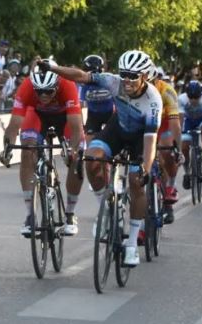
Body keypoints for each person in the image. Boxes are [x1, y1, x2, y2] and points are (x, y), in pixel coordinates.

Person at [36, 50, 162, 267]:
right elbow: (81, 76)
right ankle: (106, 209)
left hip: (140, 139)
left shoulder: (153, 101)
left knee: (136, 182)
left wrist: (145, 169)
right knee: (91, 160)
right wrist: (54, 68)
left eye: (133, 76)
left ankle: (131, 244)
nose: (127, 80)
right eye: (124, 74)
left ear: (145, 76)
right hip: (118, 130)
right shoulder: (114, 83)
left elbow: (150, 142)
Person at [0, 68, 84, 237]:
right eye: (40, 92)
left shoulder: (67, 85)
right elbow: (14, 124)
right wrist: (7, 149)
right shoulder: (27, 86)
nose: (44, 95)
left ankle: (70, 213)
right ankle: (30, 215)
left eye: (49, 91)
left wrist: (72, 151)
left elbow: (76, 127)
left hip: (64, 117)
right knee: (27, 151)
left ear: (57, 86)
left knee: (78, 158)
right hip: (37, 115)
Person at [147, 65, 183, 225]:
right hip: (147, 124)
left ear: (157, 80)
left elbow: (175, 123)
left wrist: (178, 148)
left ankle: (170, 187)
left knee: (166, 150)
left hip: (165, 124)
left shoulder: (167, 91)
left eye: (152, 82)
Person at [178, 80, 202, 189]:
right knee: (184, 146)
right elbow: (180, 118)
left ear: (201, 94)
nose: (194, 100)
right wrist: (179, 132)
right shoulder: (181, 99)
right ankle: (187, 172)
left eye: (196, 97)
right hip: (189, 121)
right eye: (191, 97)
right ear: (187, 95)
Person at [79, 55, 114, 139]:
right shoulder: (85, 85)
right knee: (89, 137)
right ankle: (90, 152)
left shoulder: (109, 81)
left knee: (113, 137)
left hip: (109, 113)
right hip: (93, 115)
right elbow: (80, 106)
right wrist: (82, 124)